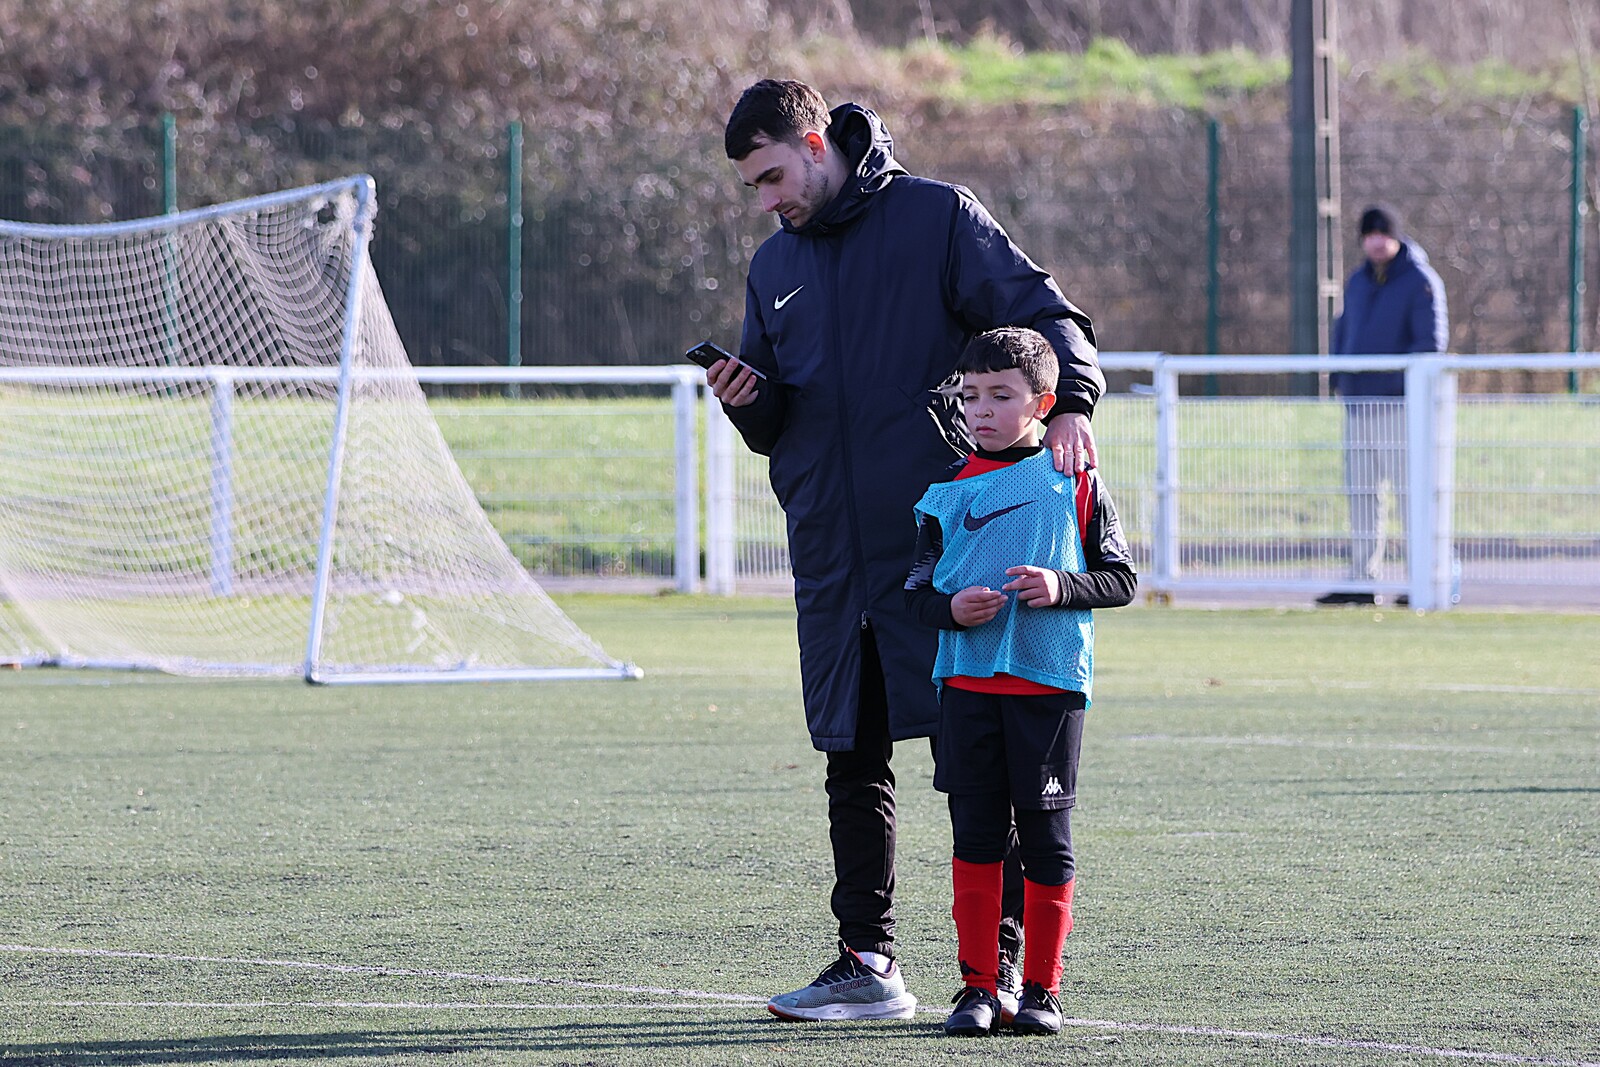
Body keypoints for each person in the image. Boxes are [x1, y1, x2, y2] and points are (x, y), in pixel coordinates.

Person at [707, 78, 1104, 1021]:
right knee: (853, 755)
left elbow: (1045, 314)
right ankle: (866, 962)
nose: (766, 201)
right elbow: (782, 418)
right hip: (833, 552)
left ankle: (999, 973)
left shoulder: (937, 218)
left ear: (815, 144)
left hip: (951, 551)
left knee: (985, 767)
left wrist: (1074, 405)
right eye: (753, 187)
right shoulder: (774, 265)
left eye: (773, 177)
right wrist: (748, 402)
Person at [905, 327, 1136, 1036]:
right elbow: (915, 591)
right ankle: (978, 988)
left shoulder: (1077, 480)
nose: (981, 409)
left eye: (1000, 396)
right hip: (967, 691)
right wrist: (950, 608)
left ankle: (1042, 990)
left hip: (1049, 691)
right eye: (971, 395)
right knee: (975, 837)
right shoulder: (944, 490)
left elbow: (1121, 579)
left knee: (1045, 840)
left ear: (1042, 402)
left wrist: (1062, 586)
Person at [1317, 203, 1448, 607]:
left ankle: (1421, 581)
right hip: (1358, 405)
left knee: (1411, 495)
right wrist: (1340, 379)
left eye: (1383, 234)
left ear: (1395, 237)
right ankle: (1362, 581)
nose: (1376, 242)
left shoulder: (1420, 280)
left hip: (1398, 407)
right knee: (1361, 493)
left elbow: (1431, 344)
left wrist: (1402, 386)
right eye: (1369, 235)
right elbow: (1344, 332)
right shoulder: (1358, 281)